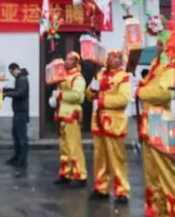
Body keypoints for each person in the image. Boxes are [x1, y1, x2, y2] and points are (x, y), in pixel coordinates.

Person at [137, 52, 175, 217]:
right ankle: (158, 213)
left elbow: (163, 93)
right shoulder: (158, 62)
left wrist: (140, 91)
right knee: (153, 173)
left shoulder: (173, 64)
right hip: (151, 124)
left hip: (164, 125)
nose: (160, 43)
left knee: (170, 175)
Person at [86, 49, 131, 204]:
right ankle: (101, 188)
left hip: (114, 122)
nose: (116, 60)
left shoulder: (123, 77)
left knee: (117, 158)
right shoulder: (99, 75)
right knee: (99, 158)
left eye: (119, 57)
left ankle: (122, 191)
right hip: (98, 121)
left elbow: (124, 99)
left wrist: (103, 102)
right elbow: (89, 95)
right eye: (113, 57)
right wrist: (92, 88)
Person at [49, 50, 87, 186]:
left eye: (70, 59)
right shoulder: (63, 77)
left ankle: (80, 175)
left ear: (76, 62)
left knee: (74, 147)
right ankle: (66, 173)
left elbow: (77, 96)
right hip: (61, 115)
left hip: (72, 114)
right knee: (64, 148)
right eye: (66, 58)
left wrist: (60, 95)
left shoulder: (78, 78)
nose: (66, 61)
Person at [2, 62, 30, 169]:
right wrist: (8, 90)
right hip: (18, 112)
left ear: (14, 69)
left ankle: (22, 160)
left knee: (22, 137)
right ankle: (17, 156)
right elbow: (17, 91)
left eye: (11, 72)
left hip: (21, 112)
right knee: (16, 135)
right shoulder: (20, 78)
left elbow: (21, 93)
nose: (11, 74)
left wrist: (7, 94)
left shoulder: (22, 79)